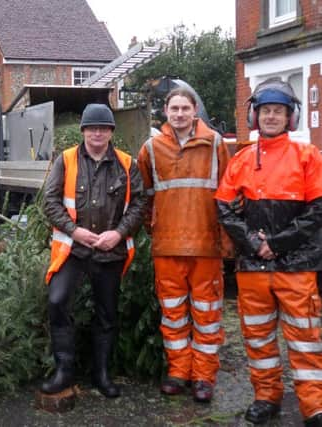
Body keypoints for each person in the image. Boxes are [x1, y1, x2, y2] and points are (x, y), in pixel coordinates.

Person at [215, 77, 322, 426]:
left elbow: (317, 210)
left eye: (279, 111)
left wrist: (275, 244)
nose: (272, 117)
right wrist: (252, 242)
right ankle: (266, 397)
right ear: (255, 117)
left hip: (298, 264)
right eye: (266, 111)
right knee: (258, 338)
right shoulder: (242, 159)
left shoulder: (308, 156)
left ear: (290, 118)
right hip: (252, 266)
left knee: (305, 339)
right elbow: (224, 208)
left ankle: (313, 406)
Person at [42, 103, 146, 398]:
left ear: (111, 132)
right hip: (73, 251)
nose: (97, 133)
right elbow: (50, 202)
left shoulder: (127, 163)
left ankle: (101, 373)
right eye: (92, 128)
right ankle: (64, 371)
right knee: (58, 302)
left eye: (103, 128)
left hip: (109, 253)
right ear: (84, 131)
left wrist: (119, 233)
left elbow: (139, 204)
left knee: (107, 313)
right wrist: (75, 232)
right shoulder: (66, 160)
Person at [137, 87, 232, 403]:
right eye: (174, 108)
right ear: (165, 112)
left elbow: (228, 194)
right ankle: (179, 372)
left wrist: (226, 241)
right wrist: (155, 228)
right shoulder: (151, 149)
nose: (179, 114)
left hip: (205, 245)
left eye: (185, 109)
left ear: (195, 111)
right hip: (167, 245)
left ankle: (204, 376)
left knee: (206, 314)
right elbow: (145, 198)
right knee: (173, 314)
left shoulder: (215, 143)